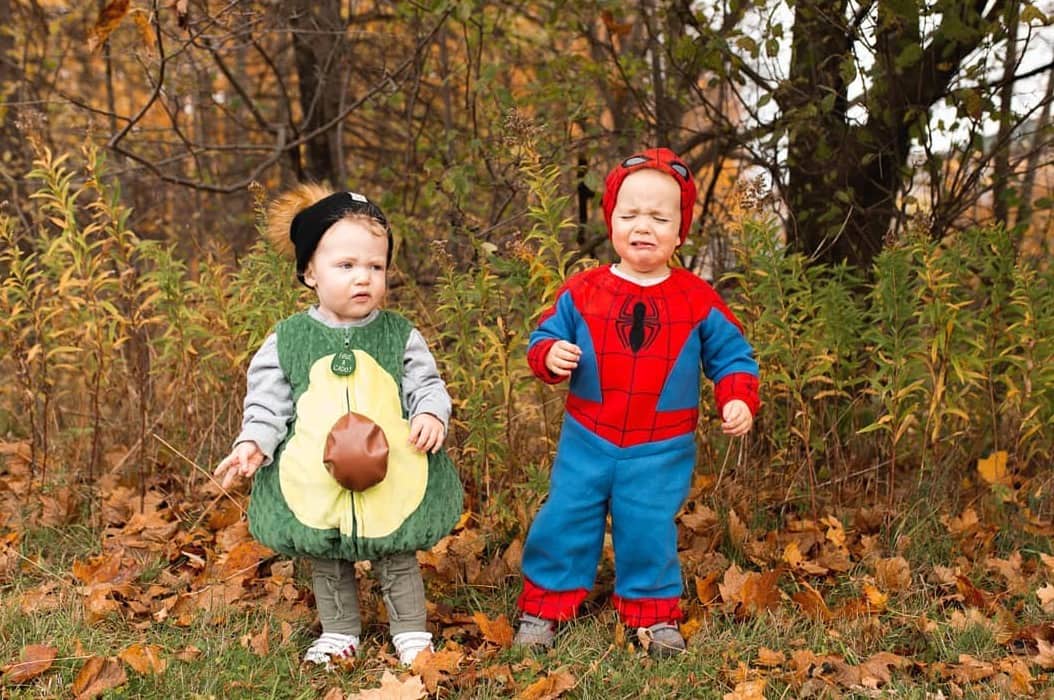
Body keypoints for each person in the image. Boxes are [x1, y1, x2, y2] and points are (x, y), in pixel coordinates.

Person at [513, 148, 759, 658]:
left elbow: (733, 355)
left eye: (659, 217)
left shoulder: (696, 299)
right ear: (611, 222)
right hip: (588, 434)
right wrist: (549, 354)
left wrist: (736, 396)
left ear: (680, 232)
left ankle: (651, 612)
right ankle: (546, 605)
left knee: (646, 523)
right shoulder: (583, 291)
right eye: (629, 215)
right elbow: (544, 335)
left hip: (661, 444)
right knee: (566, 514)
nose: (642, 226)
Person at [213, 185, 463, 668]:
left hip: (391, 472)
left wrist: (432, 413)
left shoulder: (399, 334)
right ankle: (340, 631)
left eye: (375, 266)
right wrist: (253, 442)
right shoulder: (287, 340)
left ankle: (410, 630)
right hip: (317, 475)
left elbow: (426, 384)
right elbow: (267, 404)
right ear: (310, 272)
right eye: (345, 266)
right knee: (327, 555)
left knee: (397, 551)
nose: (363, 278)